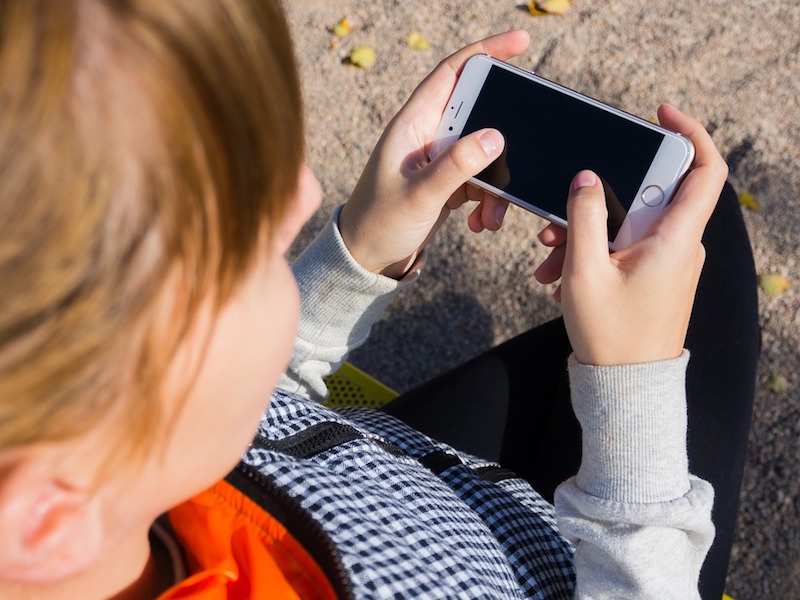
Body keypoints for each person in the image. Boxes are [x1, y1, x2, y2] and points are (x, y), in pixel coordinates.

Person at [0, 1, 757, 599]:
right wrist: (632, 394)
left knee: (672, 221)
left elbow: (240, 415)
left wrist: (358, 253)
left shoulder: (104, 457)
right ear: (44, 521)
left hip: (398, 489)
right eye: (243, 249)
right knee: (694, 228)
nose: (307, 193)